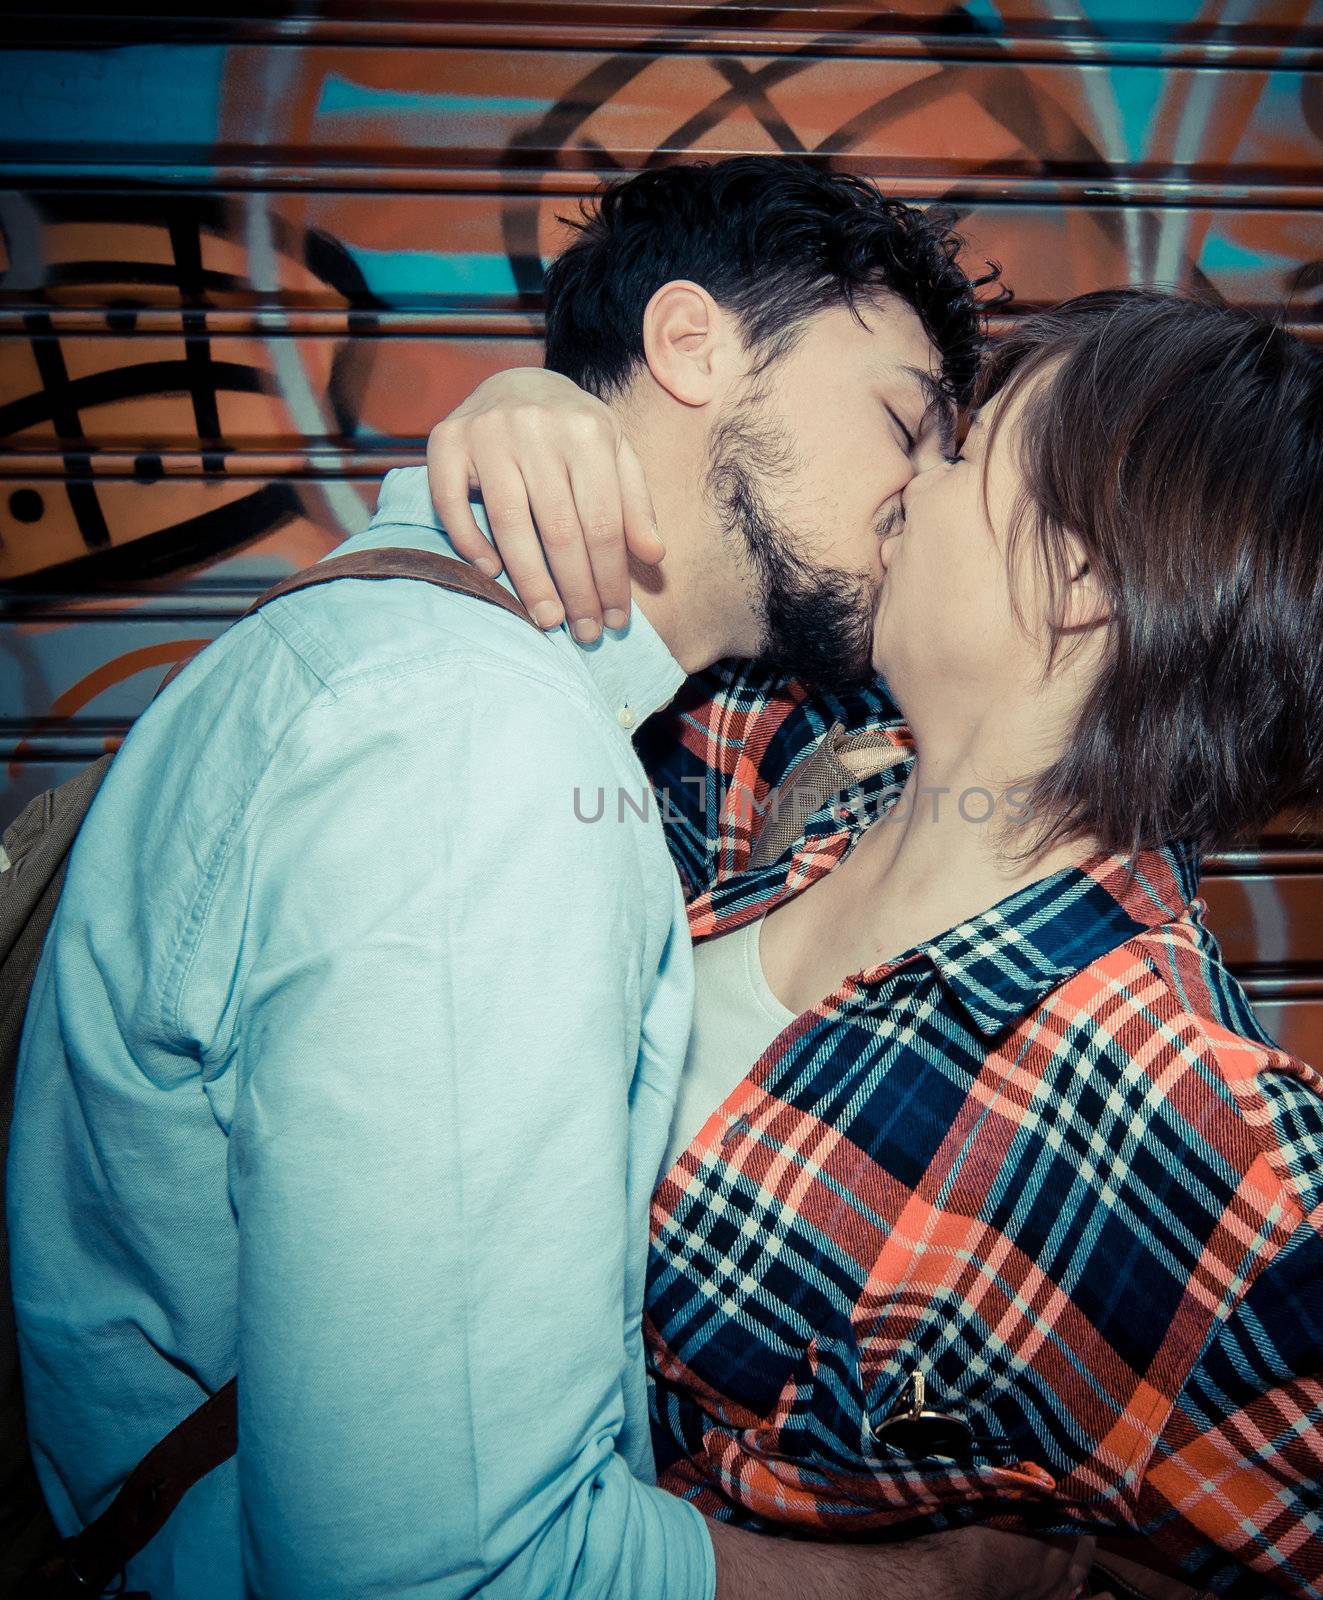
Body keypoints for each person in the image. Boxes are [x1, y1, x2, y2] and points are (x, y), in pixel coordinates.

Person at [7, 158, 1091, 1599]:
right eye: (904, 417)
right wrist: (948, 1586)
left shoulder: (425, 655)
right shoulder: (477, 753)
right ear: (691, 344)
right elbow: (445, 1573)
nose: (920, 486)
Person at [428, 288, 1323, 1599]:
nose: (912, 485)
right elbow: (594, 665)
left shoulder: (1191, 1134)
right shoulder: (820, 767)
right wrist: (542, 427)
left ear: (1086, 577)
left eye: (968, 455)